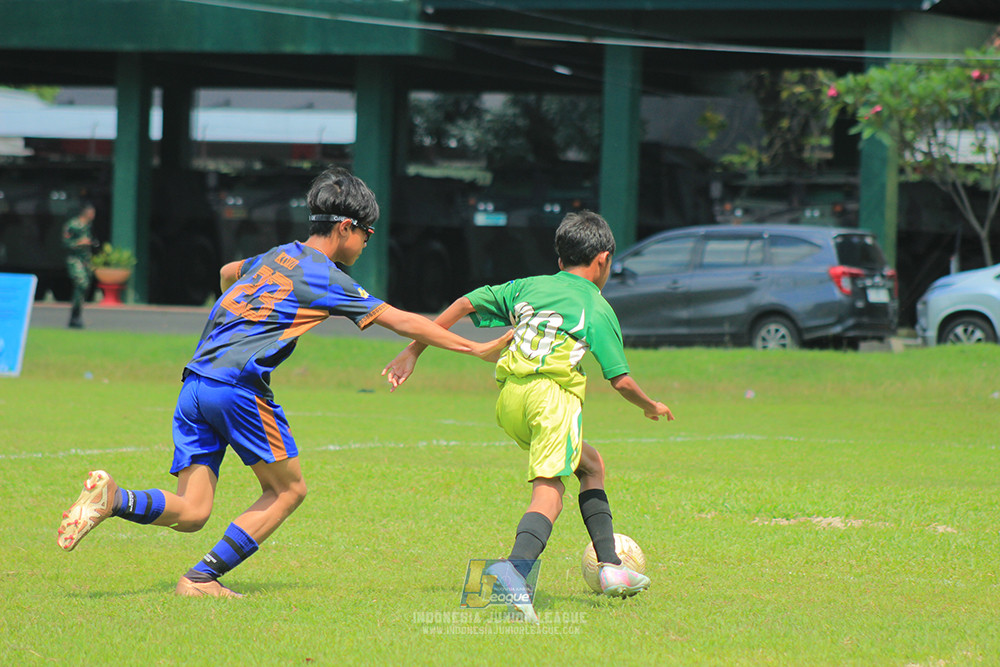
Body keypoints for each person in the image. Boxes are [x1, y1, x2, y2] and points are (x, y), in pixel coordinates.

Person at [57, 166, 511, 598]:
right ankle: (200, 579)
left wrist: (244, 313)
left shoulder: (277, 255)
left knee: (192, 511)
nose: (367, 243)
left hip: (195, 381)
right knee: (288, 490)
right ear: (346, 228)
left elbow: (228, 271)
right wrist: (475, 348)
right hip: (236, 387)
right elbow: (401, 319)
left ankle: (113, 499)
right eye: (367, 233)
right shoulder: (325, 275)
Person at [383, 210, 674, 622]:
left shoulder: (527, 287)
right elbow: (621, 381)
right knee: (549, 492)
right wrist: (651, 405)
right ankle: (514, 574)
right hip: (551, 400)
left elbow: (465, 303)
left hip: (510, 400)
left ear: (560, 259)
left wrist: (414, 349)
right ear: (603, 260)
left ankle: (610, 567)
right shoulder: (596, 306)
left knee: (591, 464)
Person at [61, 203, 97, 328]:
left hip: (85, 260)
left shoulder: (87, 225)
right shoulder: (73, 224)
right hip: (75, 259)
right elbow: (65, 243)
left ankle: (76, 315)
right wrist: (79, 243)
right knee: (82, 283)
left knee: (84, 287)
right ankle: (75, 316)